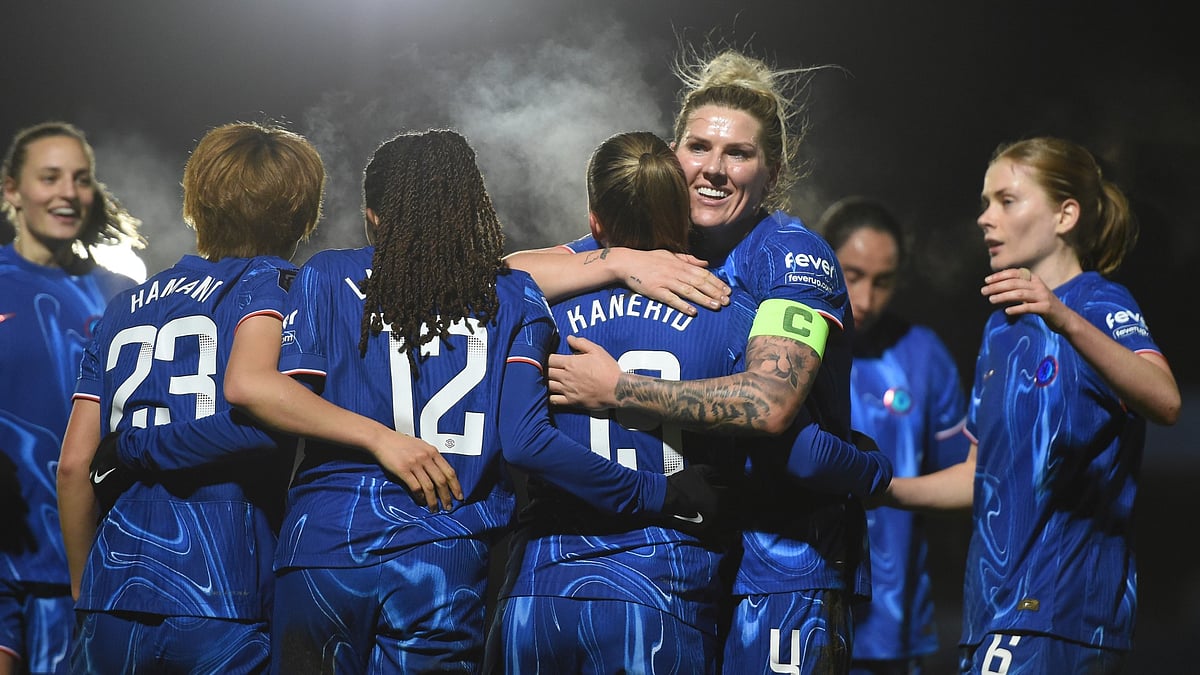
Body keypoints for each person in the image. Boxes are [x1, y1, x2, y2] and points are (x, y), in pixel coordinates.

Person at [216, 128, 715, 674]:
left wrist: (377, 437)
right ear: (473, 210)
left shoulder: (326, 274)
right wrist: (658, 492)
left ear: (374, 217)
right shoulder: (512, 295)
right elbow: (527, 442)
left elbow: (265, 390)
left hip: (324, 549)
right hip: (441, 558)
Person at [511, 48, 893, 674]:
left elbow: (769, 405)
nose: (713, 170)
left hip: (782, 570)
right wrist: (614, 262)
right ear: (673, 153)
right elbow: (501, 277)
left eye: (737, 154)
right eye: (698, 147)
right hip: (692, 564)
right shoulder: (653, 242)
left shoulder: (793, 257)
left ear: (772, 171)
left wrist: (620, 389)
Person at [880, 137, 1180, 674]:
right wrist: (876, 487)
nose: (984, 218)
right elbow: (980, 478)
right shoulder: (1001, 327)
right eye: (984, 201)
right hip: (991, 612)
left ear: (1066, 215)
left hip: (1063, 613)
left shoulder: (1098, 302)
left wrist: (1062, 317)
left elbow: (1165, 400)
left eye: (1006, 200)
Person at [494, 131, 757, 672]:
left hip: (543, 589)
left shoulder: (535, 306)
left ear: (594, 221)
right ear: (683, 208)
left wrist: (608, 262)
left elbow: (496, 274)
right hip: (664, 593)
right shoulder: (731, 310)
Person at [0, 121, 141, 675]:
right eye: (50, 177)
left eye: (80, 179)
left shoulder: (120, 293)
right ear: (12, 190)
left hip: (87, 556)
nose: (67, 193)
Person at [814, 196, 971, 675]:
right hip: (798, 614)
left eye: (882, 282)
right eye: (852, 274)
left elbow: (965, 478)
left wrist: (881, 489)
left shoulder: (923, 355)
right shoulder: (782, 347)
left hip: (892, 627)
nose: (864, 299)